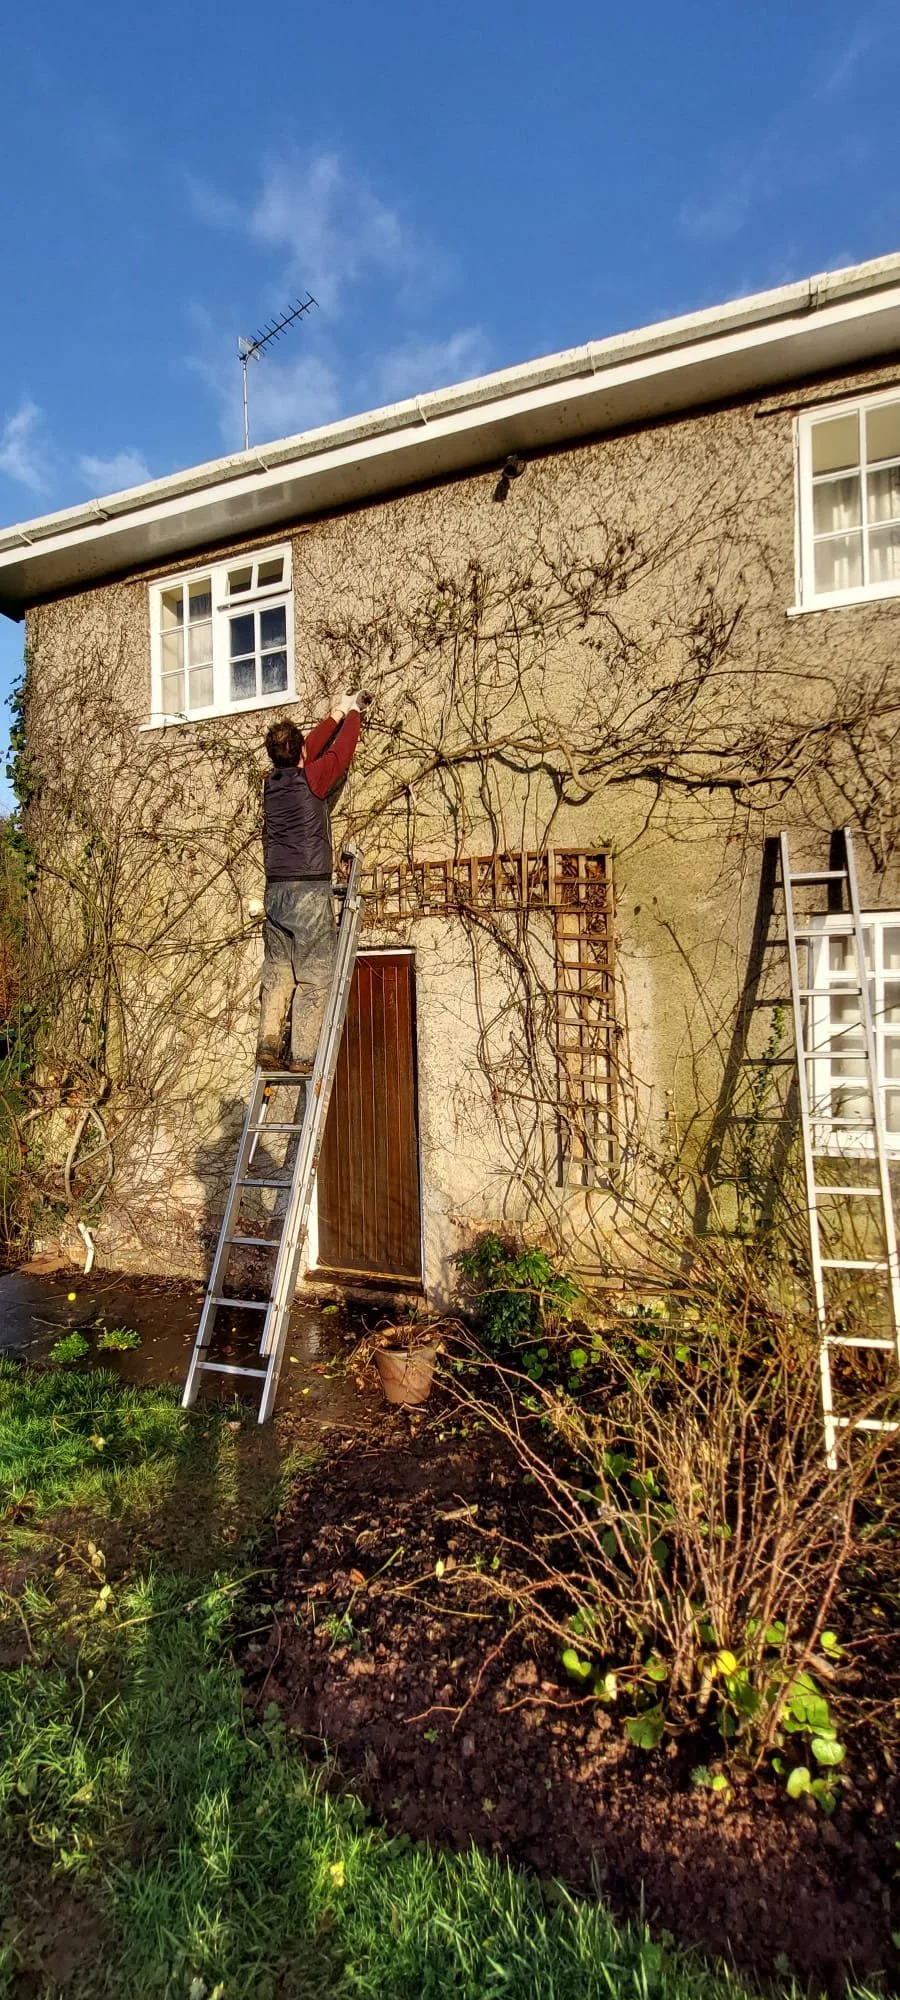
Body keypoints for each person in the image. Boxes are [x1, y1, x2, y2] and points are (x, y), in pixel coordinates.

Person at [257, 690, 366, 1072]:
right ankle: (302, 1055)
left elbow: (307, 750)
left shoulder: (272, 785)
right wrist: (352, 716)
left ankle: (269, 1044)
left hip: (277, 892)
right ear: (301, 752)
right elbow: (341, 754)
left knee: (279, 971)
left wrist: (335, 712)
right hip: (308, 890)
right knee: (315, 976)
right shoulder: (314, 778)